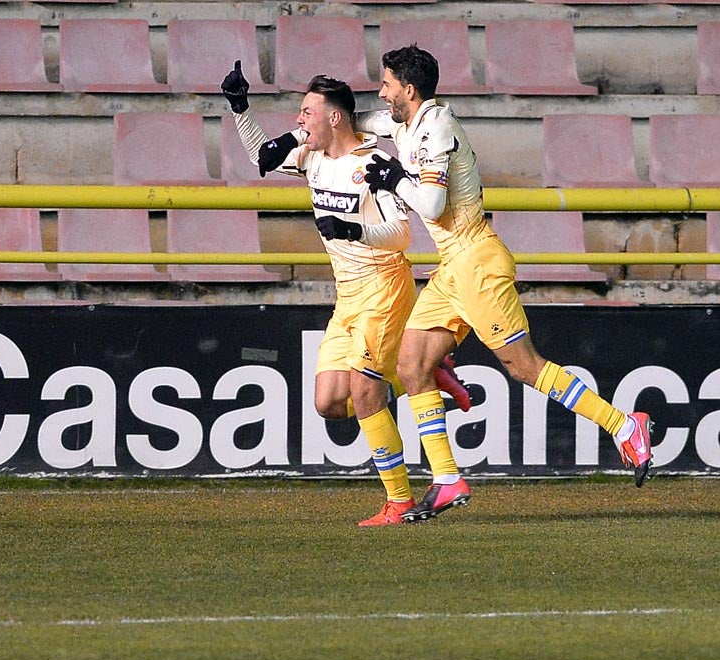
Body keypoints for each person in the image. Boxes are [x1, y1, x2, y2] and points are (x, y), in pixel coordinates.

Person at [357, 45, 653, 522]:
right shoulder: (405, 122)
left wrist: (394, 179)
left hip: (476, 262)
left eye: (386, 83)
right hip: (453, 268)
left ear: (408, 90)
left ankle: (624, 426)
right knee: (411, 365)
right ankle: (448, 479)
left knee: (524, 367)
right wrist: (318, 115)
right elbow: (365, 120)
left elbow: (431, 206)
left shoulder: (437, 129)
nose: (381, 91)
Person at [221, 62, 470, 526]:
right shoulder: (312, 156)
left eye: (306, 112)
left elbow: (399, 234)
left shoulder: (372, 161)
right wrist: (240, 106)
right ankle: (421, 369)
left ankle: (398, 502)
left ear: (333, 117)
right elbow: (262, 156)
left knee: (363, 389)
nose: (299, 120)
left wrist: (354, 229)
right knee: (329, 401)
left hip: (384, 286)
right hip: (348, 295)